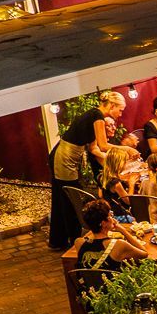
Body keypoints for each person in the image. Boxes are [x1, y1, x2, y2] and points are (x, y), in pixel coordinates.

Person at [49, 90, 126, 248]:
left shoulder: (94, 115)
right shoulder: (97, 116)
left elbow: (93, 148)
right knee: (69, 198)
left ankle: (59, 240)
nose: (120, 114)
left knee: (64, 197)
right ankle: (72, 241)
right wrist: (125, 150)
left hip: (69, 156)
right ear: (111, 106)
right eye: (120, 110)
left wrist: (112, 163)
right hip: (64, 157)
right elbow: (103, 145)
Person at [75, 200, 151, 271]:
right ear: (103, 223)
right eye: (110, 216)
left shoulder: (78, 242)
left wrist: (94, 225)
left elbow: (93, 233)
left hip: (87, 285)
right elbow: (144, 254)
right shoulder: (119, 245)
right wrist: (123, 230)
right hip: (114, 285)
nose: (112, 218)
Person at [100, 147, 138, 223]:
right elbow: (129, 201)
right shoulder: (116, 183)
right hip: (118, 215)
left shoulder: (102, 176)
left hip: (109, 212)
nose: (126, 164)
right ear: (118, 164)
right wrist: (131, 184)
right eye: (125, 162)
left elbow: (100, 195)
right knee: (139, 216)